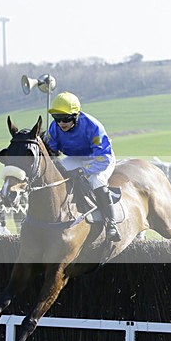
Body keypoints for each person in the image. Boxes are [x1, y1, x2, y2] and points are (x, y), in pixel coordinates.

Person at [43, 91, 121, 242]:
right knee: (57, 175)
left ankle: (112, 223)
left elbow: (102, 158)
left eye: (65, 118)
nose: (61, 123)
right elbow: (52, 150)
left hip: (100, 159)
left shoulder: (93, 126)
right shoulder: (55, 128)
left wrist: (84, 170)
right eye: (57, 118)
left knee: (96, 181)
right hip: (75, 158)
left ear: (76, 115)